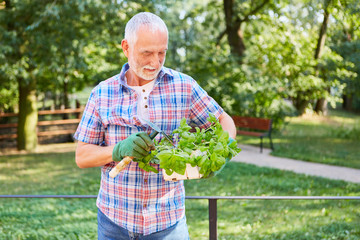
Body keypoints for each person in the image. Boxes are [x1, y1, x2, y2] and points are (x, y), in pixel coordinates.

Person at [74, 12, 237, 240]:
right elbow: (82, 156)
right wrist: (118, 150)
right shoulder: (102, 93)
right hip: (114, 222)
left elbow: (223, 120)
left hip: (168, 223)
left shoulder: (184, 87)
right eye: (147, 53)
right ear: (126, 47)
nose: (155, 62)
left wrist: (223, 149)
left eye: (162, 53)